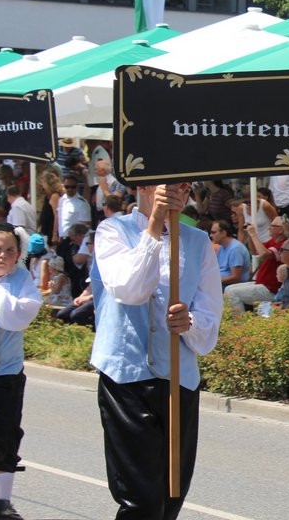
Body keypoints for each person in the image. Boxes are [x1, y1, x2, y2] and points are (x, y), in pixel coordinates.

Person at [91, 183, 223, 520]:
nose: (179, 190)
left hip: (179, 379)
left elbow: (210, 312)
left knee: (170, 497)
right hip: (127, 378)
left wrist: (189, 321)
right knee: (141, 501)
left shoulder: (197, 241)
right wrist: (155, 223)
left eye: (185, 185)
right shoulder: (113, 230)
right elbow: (128, 288)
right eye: (170, 183)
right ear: (144, 185)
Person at [0, 223, 43, 518]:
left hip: (7, 374)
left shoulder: (21, 280)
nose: (2, 255)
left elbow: (19, 317)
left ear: (18, 254)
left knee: (4, 437)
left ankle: (2, 505)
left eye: (9, 250)